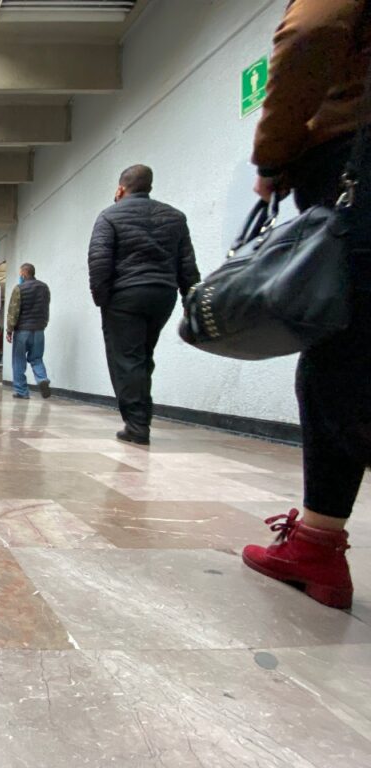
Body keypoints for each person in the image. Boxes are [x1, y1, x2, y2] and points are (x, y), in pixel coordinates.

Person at [242, 0, 370, 610]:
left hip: (354, 160)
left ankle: (317, 541)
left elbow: (310, 32)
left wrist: (272, 155)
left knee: (343, 348)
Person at [87, 164, 200, 446]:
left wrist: (102, 299)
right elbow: (187, 264)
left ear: (120, 188)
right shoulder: (175, 217)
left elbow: (99, 261)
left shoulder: (109, 216)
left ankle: (137, 425)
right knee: (143, 356)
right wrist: (191, 300)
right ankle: (140, 418)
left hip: (125, 297)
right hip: (163, 295)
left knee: (126, 359)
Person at [7, 263, 52, 400]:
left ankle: (21, 391)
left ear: (23, 273)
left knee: (18, 361)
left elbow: (13, 311)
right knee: (37, 358)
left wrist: (9, 330)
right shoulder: (44, 288)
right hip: (38, 330)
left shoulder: (19, 288)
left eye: (20, 273)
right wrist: (43, 324)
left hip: (22, 330)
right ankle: (42, 379)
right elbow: (46, 309)